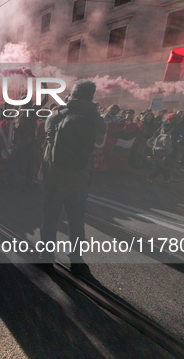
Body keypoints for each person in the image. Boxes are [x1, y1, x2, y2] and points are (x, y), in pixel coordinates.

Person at [39, 79, 107, 272]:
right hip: (79, 177)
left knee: (50, 218)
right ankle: (76, 258)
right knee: (76, 220)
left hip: (54, 176)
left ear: (73, 94)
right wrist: (92, 111)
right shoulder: (95, 119)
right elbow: (101, 135)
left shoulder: (57, 114)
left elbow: (48, 134)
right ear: (91, 96)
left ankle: (46, 255)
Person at [147, 113, 181, 184]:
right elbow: (176, 139)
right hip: (170, 148)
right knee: (164, 164)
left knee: (161, 163)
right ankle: (152, 177)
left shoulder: (162, 126)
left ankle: (167, 177)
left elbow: (155, 134)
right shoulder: (176, 128)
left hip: (159, 147)